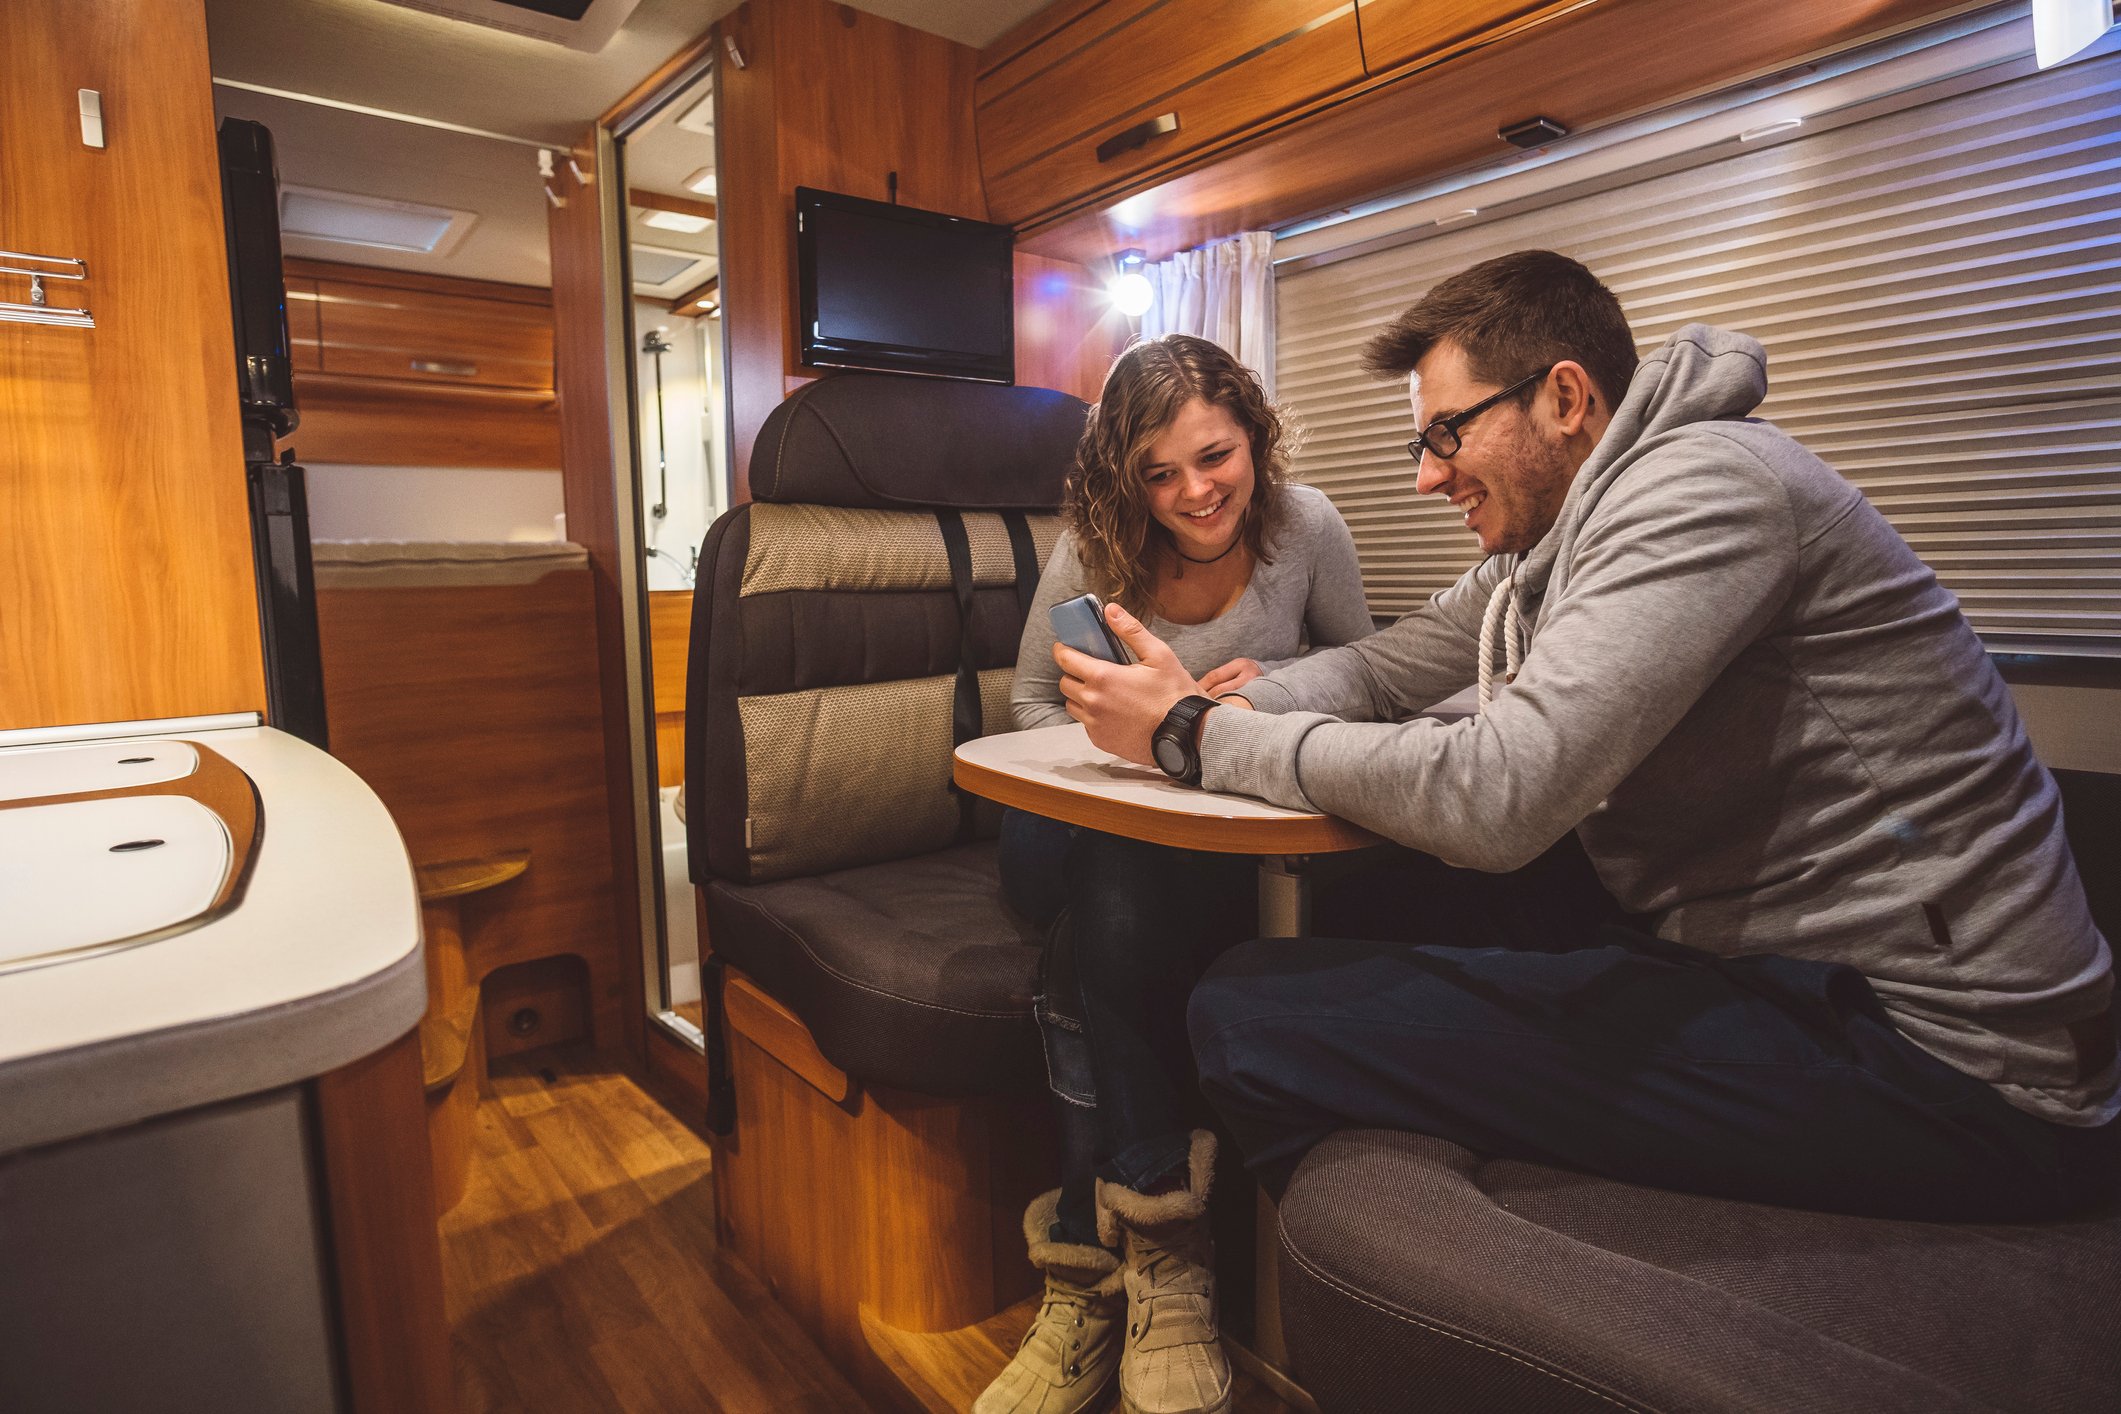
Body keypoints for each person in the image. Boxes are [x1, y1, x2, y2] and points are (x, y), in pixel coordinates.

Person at [1056, 249, 2118, 1229]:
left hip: (1942, 1061)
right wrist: (1225, 706)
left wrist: (1195, 738)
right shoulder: (1555, 545)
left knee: (1251, 1011)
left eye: (1445, 433)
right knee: (1313, 916)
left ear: (1565, 399)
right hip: (1773, 967)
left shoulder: (1705, 490)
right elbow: (1391, 663)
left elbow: (1500, 790)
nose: (1428, 477)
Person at [980, 334, 1371, 1414]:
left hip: (1211, 836)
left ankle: (1090, 1273)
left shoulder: (1309, 530)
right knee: (1114, 872)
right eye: (1160, 473)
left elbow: (1371, 672)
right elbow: (1026, 706)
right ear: (1127, 478)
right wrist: (1122, 747)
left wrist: (1280, 687)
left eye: (1215, 456)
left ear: (1253, 433)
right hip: (1071, 822)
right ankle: (1171, 1254)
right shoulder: (1094, 547)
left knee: (1084, 961)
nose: (1194, 491)